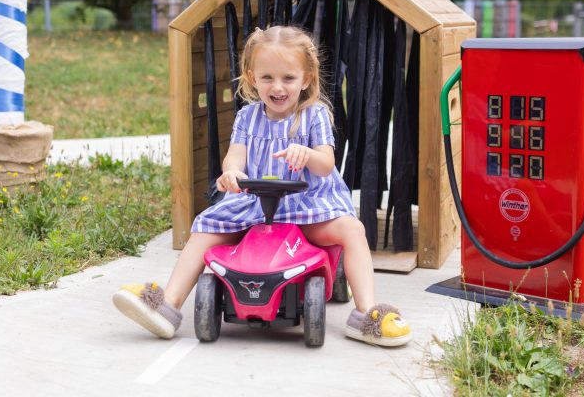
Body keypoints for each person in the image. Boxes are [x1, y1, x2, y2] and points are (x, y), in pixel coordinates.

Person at [113, 25, 411, 347]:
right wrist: (232, 175)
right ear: (253, 77)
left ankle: (367, 315)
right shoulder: (246, 117)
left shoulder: (314, 115)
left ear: (306, 78)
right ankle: (167, 306)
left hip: (306, 206)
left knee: (353, 231)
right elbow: (234, 158)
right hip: (254, 206)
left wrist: (307, 153)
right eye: (267, 77)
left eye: (288, 78)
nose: (277, 87)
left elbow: (326, 163)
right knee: (203, 233)